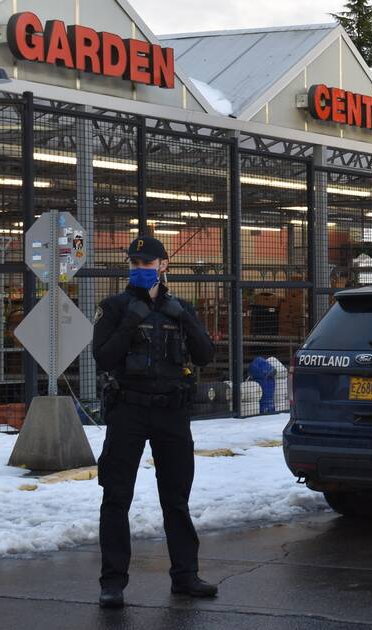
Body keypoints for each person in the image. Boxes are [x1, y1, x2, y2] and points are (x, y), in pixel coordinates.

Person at [92, 236, 216, 608]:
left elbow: (205, 355)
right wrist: (132, 320)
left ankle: (185, 576)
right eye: (135, 263)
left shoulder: (181, 308)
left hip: (171, 412)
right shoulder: (114, 307)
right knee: (116, 497)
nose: (140, 269)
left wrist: (184, 318)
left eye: (147, 263)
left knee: (176, 498)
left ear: (164, 265)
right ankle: (112, 582)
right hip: (128, 409)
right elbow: (104, 357)